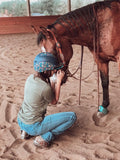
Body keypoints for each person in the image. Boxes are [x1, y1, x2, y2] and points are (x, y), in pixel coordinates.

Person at [17, 52, 77, 148]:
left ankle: (25, 131)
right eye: (53, 69)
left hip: (21, 120)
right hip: (33, 125)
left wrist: (53, 81)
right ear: (45, 71)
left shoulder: (30, 78)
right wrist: (58, 82)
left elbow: (47, 90)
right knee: (72, 117)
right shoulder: (45, 88)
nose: (54, 71)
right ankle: (44, 137)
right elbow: (54, 101)